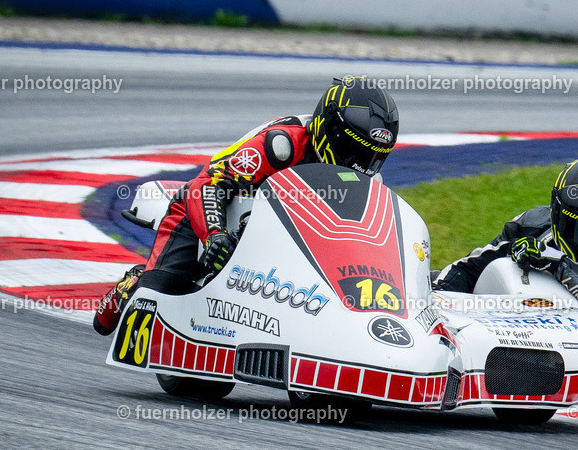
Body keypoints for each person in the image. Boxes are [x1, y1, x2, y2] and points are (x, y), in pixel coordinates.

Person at [93, 78, 400, 335]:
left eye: (373, 157)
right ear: (327, 127)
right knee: (153, 298)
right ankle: (133, 284)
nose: (359, 165)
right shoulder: (281, 144)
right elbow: (206, 185)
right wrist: (214, 235)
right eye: (352, 150)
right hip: (210, 211)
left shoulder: (368, 180)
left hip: (287, 233)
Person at [433, 156, 578, 385]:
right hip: (515, 332)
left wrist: (559, 263)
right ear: (557, 214)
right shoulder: (534, 226)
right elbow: (469, 269)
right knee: (433, 280)